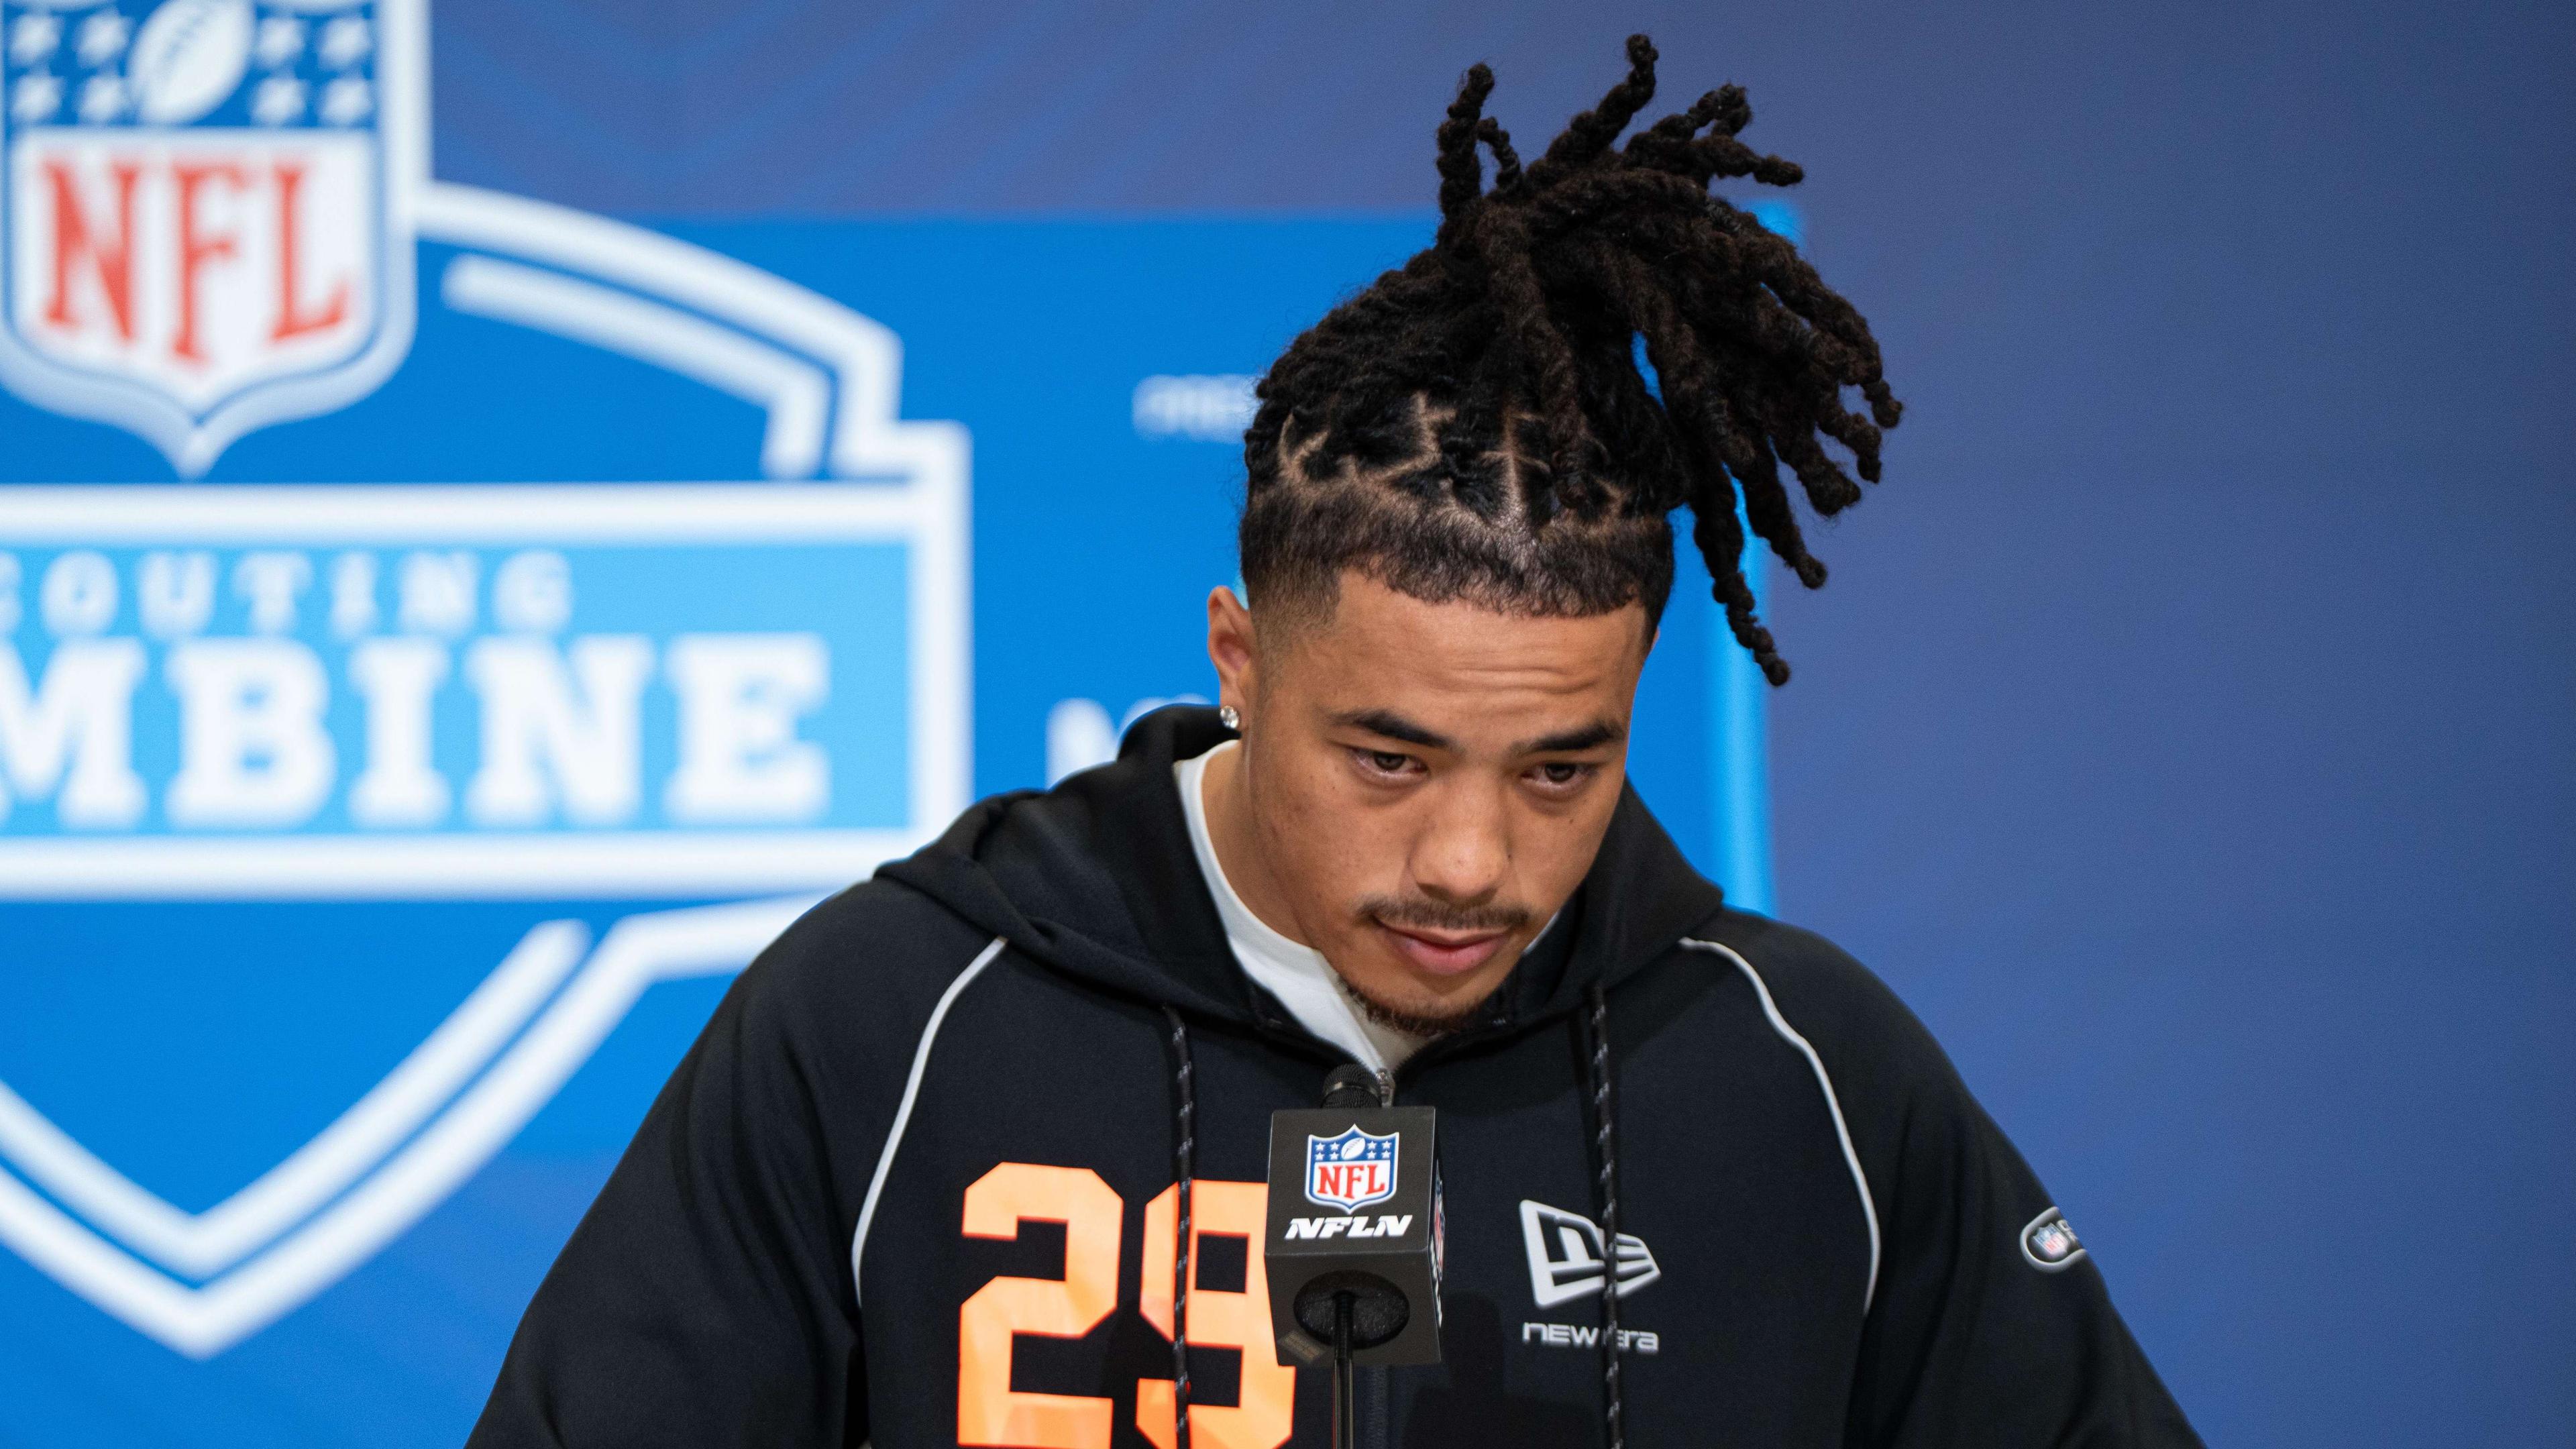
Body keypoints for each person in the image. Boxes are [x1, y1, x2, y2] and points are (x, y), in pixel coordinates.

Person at [468, 36, 2200, 1449]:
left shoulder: (1805, 1073)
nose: (1471, 864)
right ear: (1239, 658)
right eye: (1389, 759)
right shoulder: (887, 1019)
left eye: (1559, 770)